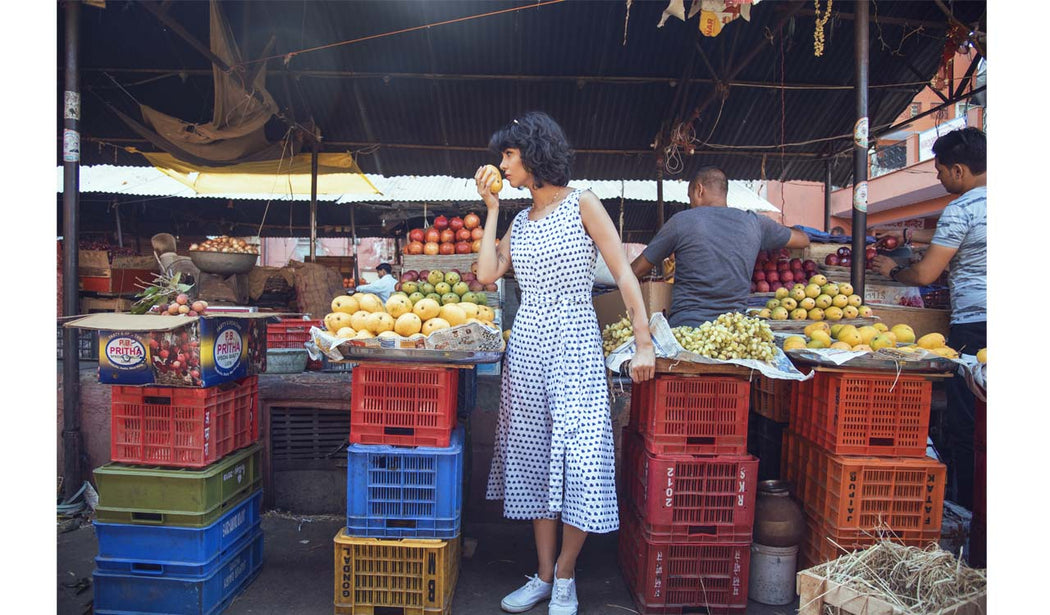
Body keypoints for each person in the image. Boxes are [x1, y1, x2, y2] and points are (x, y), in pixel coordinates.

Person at [474, 111, 655, 615]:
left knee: (580, 458)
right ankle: (545, 574)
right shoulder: (517, 221)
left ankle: (568, 577)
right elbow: (487, 273)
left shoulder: (584, 203)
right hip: (528, 344)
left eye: (508, 155)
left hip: (575, 339)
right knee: (533, 457)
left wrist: (644, 341)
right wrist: (491, 209)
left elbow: (623, 274)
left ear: (533, 156)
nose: (503, 165)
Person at [871, 126, 986, 520]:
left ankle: (971, 513)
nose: (938, 178)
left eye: (939, 171)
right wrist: (909, 235)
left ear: (958, 170)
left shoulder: (963, 207)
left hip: (977, 325)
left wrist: (891, 271)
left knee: (970, 424)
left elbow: (924, 276)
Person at [629, 166, 810, 326]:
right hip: (733, 329)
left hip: (687, 327)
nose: (690, 202)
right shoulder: (755, 223)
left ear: (699, 190)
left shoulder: (681, 221)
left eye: (690, 196)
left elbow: (637, 270)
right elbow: (802, 240)